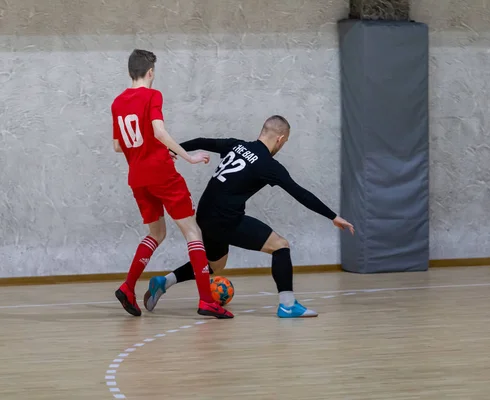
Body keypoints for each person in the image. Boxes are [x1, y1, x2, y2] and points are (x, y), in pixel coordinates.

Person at [143, 115, 355, 318]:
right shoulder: (268, 164)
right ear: (280, 139)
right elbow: (300, 193)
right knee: (280, 246)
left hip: (205, 213)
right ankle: (288, 305)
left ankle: (164, 282)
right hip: (225, 218)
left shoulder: (236, 145)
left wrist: (170, 149)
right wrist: (332, 216)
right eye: (284, 142)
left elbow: (201, 141)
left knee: (215, 266)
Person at [110, 49, 233, 319]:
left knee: (156, 233)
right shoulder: (153, 95)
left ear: (130, 71)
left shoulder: (117, 103)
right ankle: (206, 301)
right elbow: (158, 131)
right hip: (161, 174)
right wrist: (187, 156)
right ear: (151, 72)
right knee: (192, 232)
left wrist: (148, 150)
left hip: (137, 177)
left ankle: (128, 287)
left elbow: (119, 146)